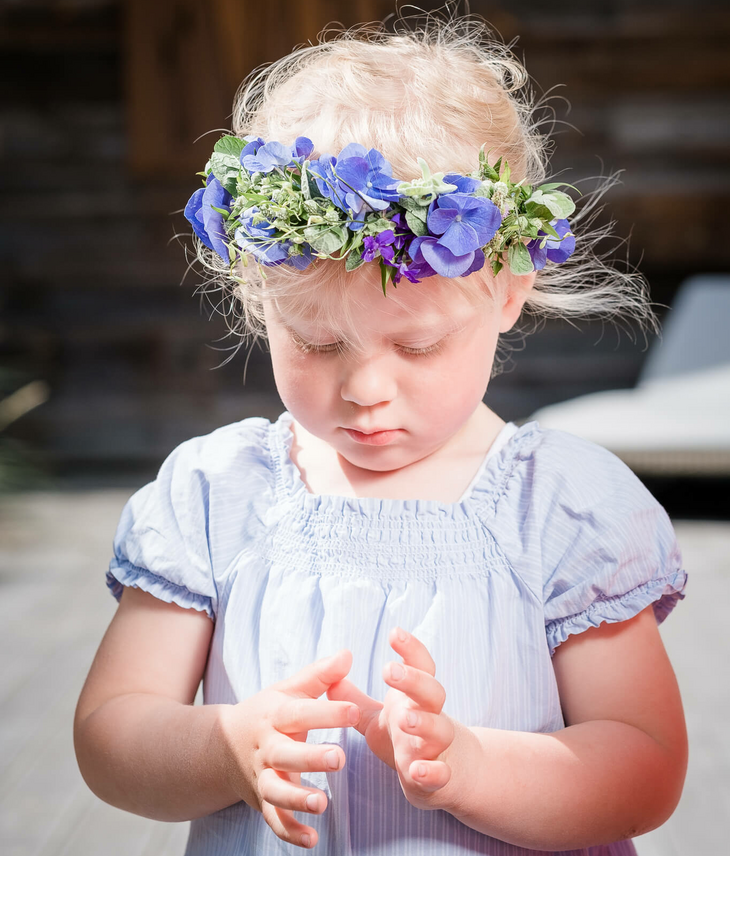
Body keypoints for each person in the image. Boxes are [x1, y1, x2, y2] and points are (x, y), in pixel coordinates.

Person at [73, 12, 688, 856]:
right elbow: (111, 732)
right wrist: (226, 746)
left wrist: (473, 767)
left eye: (419, 345)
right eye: (317, 343)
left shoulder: (566, 508)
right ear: (260, 299)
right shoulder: (219, 495)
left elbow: (644, 766)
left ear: (507, 290)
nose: (364, 389)